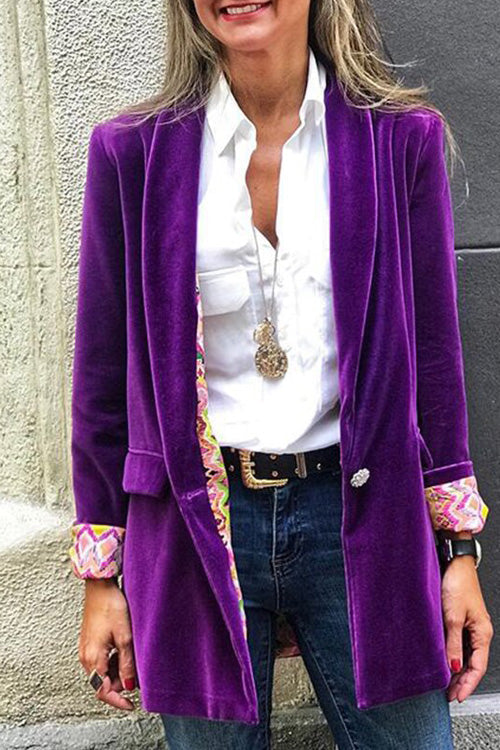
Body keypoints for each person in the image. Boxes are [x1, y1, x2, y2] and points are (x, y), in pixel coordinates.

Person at [69, 1, 494, 748]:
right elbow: (102, 377)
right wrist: (102, 578)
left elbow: (435, 360)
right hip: (195, 531)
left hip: (362, 521)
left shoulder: (400, 140)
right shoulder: (132, 153)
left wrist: (458, 554)